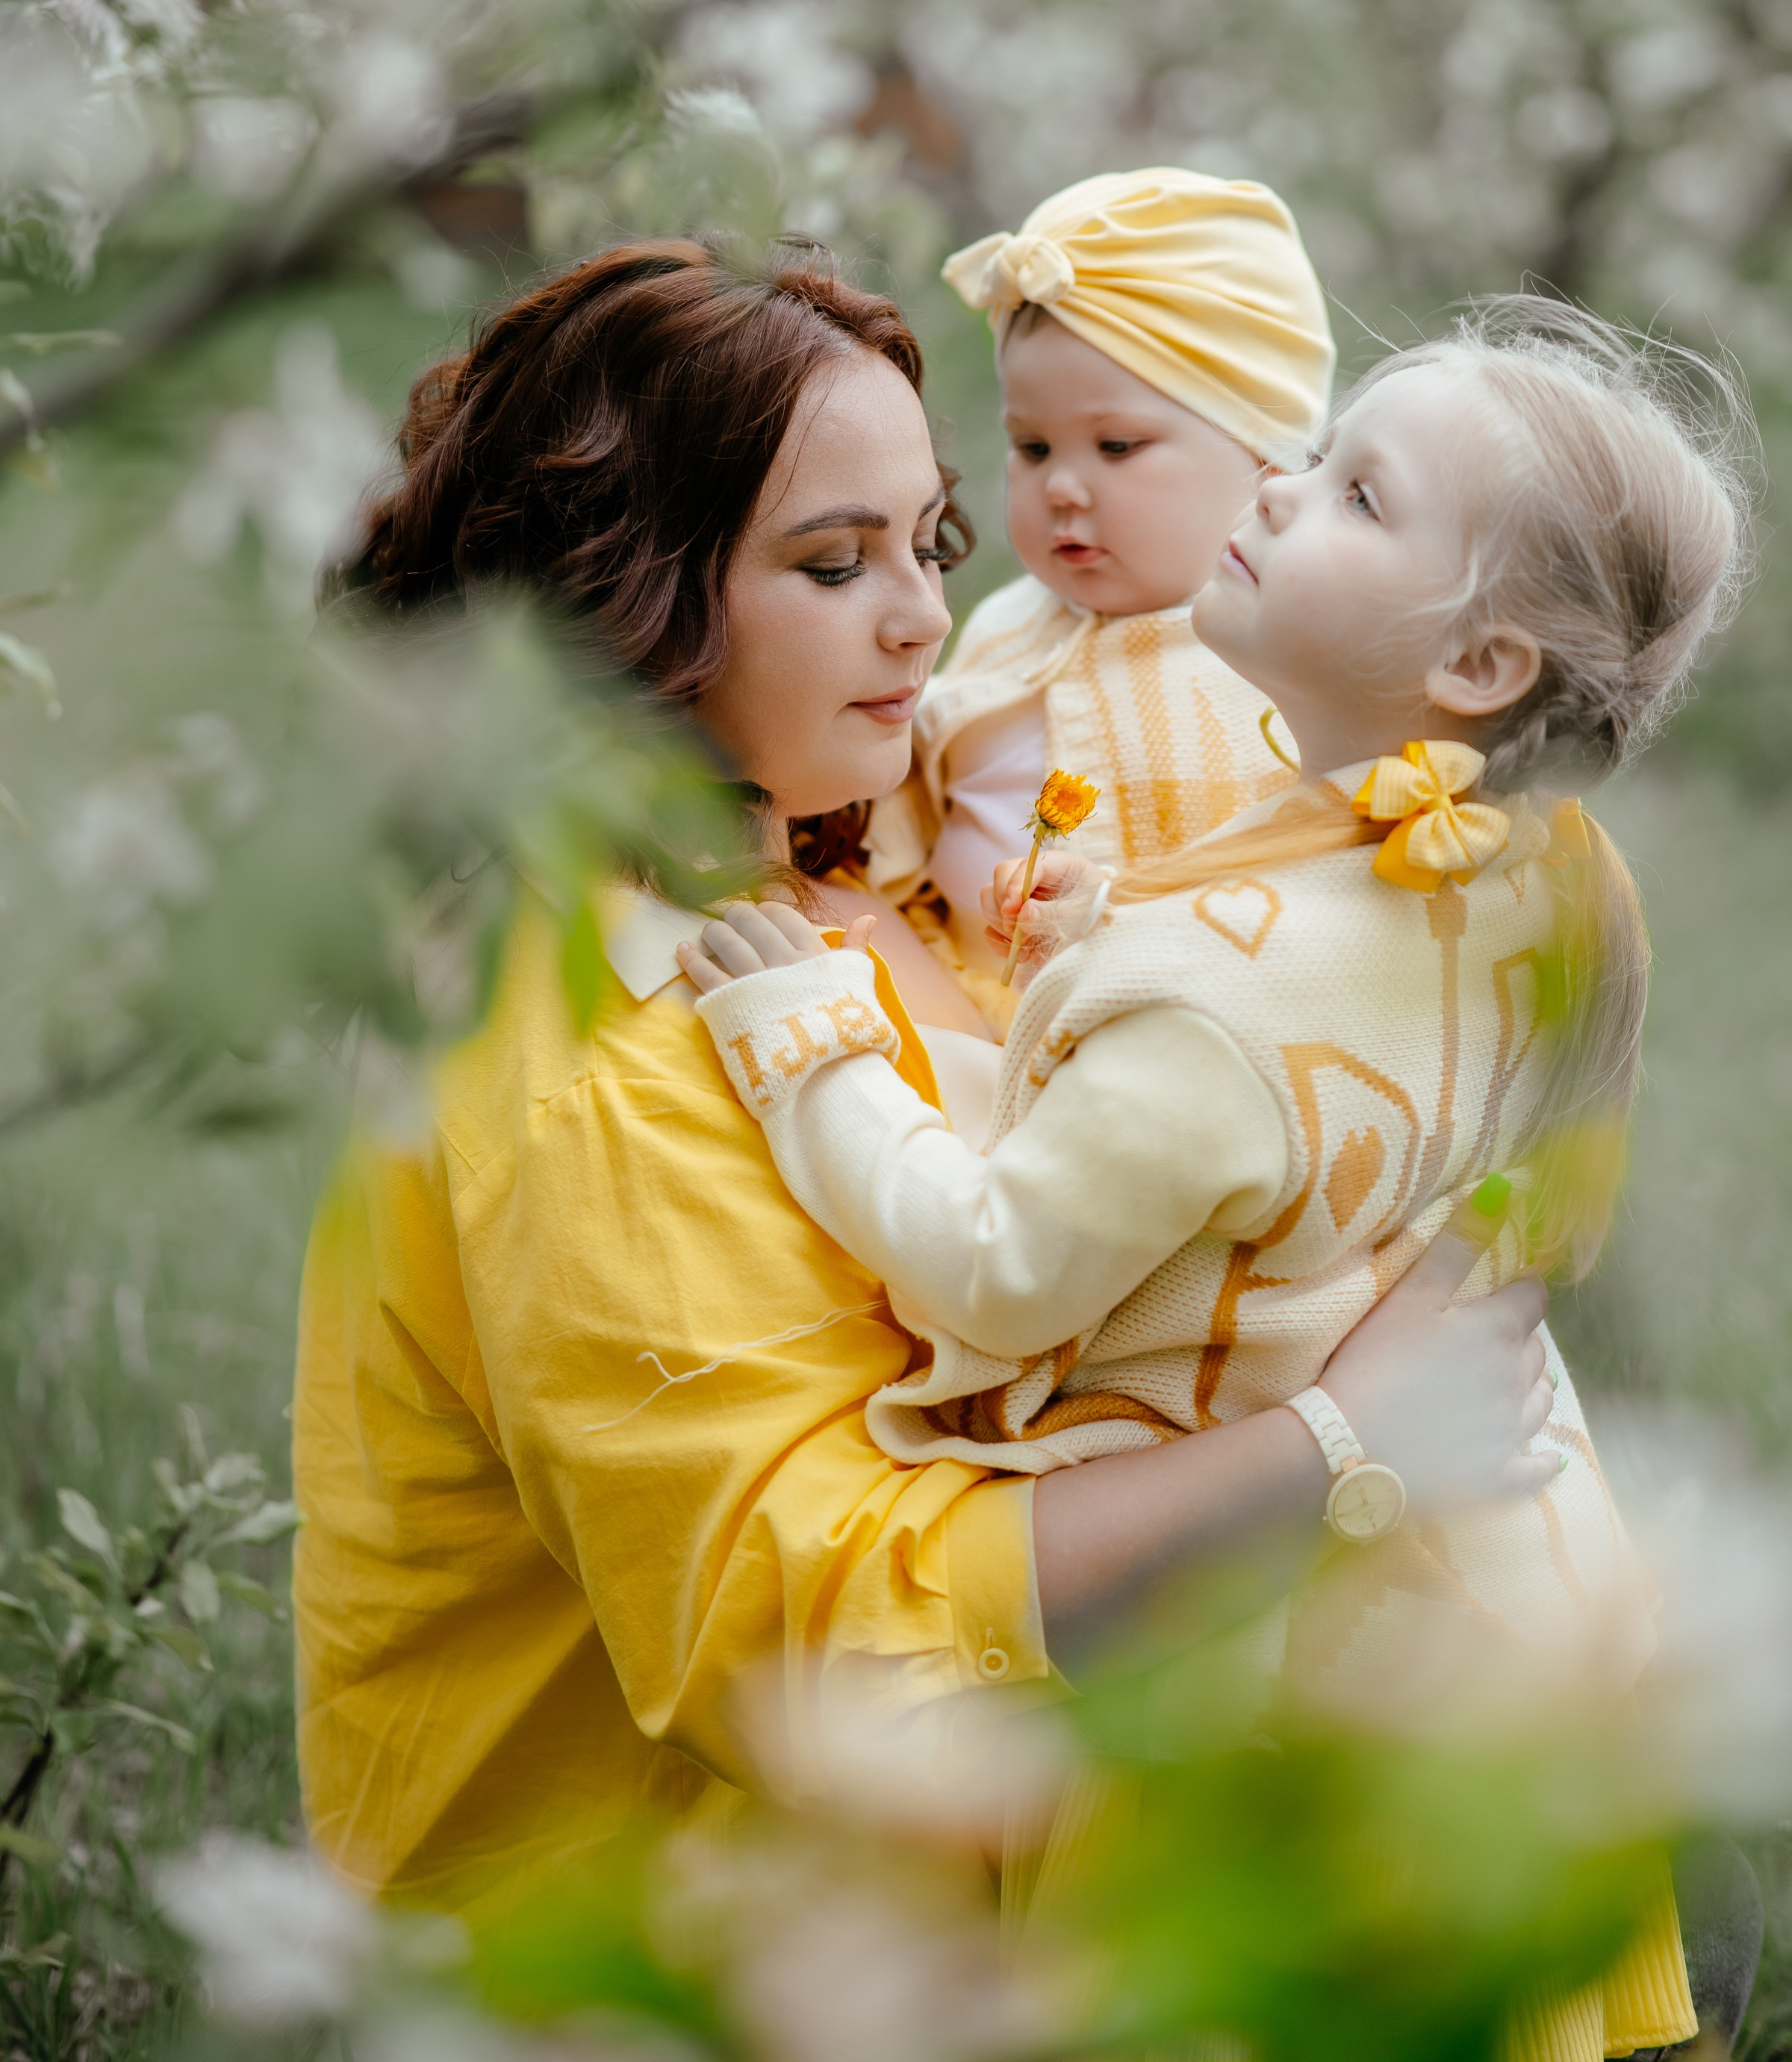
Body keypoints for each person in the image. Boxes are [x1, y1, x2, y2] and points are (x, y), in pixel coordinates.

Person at [291, 240, 1558, 1923]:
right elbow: (825, 1651)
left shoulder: (838, 832)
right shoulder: (589, 1038)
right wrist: (1339, 1447)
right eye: (833, 564)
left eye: (930, 541)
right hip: (683, 1955)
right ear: (617, 600)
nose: (922, 615)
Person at [679, 303, 1759, 2062]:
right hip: (1501, 1607)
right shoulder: (1562, 878)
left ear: (1476, 662)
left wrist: (811, 1042)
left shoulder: (1210, 1009)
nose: (1271, 487)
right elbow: (1500, 1174)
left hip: (1258, 1675)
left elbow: (988, 1265)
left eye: (1353, 493)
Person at [864, 167, 1336, 1027]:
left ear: (1267, 459)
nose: (1061, 488)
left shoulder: (1297, 661)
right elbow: (906, 810)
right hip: (965, 1014)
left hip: (1188, 1045)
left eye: (1116, 446)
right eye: (1032, 447)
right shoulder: (1003, 629)